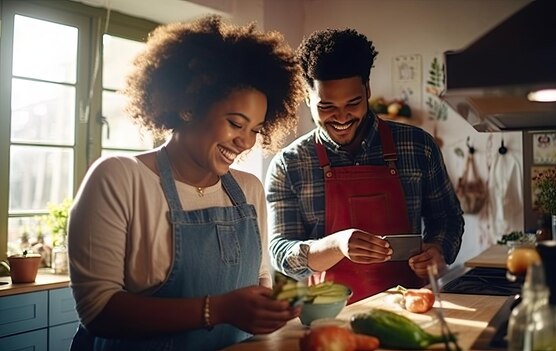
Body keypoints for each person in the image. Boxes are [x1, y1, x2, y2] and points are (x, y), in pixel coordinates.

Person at [67, 15, 306, 351]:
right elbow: (99, 311)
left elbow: (259, 283)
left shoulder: (248, 189)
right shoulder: (119, 177)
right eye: (236, 123)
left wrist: (276, 309)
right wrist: (217, 310)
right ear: (188, 107)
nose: (247, 142)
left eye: (255, 129)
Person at [265, 28, 464, 303]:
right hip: (330, 317)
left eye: (354, 103)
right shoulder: (289, 164)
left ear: (367, 89)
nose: (342, 116)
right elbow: (280, 253)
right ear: (307, 97)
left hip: (411, 307)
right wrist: (336, 245)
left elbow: (448, 218)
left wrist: (438, 250)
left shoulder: (418, 146)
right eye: (327, 106)